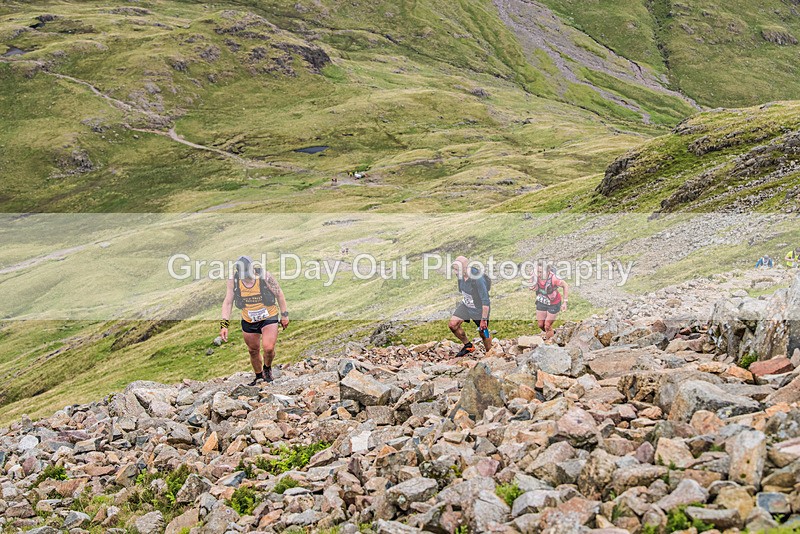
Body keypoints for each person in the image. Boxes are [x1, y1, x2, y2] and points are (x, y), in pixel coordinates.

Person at [220, 256, 290, 385]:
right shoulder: (233, 280)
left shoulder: (265, 276)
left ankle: (267, 368)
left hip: (268, 316)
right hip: (249, 319)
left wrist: (284, 315)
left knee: (268, 348)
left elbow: (279, 294)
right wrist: (224, 325)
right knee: (253, 350)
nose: (246, 277)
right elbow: (228, 302)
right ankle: (258, 376)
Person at [448, 256, 492, 356]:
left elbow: (485, 300)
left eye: (457, 270)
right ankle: (468, 346)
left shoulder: (478, 279)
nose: (455, 272)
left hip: (479, 309)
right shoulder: (460, 276)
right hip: (466, 305)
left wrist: (484, 319)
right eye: (454, 269)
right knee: (453, 325)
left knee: (483, 332)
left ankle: (489, 353)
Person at [531, 262, 568, 340]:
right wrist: (533, 286)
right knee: (541, 325)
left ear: (548, 271)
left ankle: (550, 342)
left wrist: (565, 302)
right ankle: (552, 333)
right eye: (537, 271)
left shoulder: (554, 279)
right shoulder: (534, 275)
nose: (538, 274)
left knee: (547, 325)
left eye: (540, 272)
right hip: (542, 301)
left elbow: (565, 285)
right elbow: (533, 284)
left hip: (554, 303)